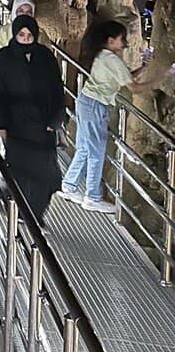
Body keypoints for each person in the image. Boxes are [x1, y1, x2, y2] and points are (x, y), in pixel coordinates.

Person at [59, 20, 157, 213]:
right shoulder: (112, 59)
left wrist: (145, 67)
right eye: (122, 38)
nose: (125, 42)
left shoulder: (103, 55)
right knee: (96, 152)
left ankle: (69, 185)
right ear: (111, 40)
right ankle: (92, 197)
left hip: (86, 102)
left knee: (85, 148)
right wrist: (161, 77)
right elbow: (134, 88)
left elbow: (125, 77)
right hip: (95, 106)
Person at [0, 15, 65, 225]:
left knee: (45, 173)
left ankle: (36, 212)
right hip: (17, 125)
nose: (25, 39)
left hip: (43, 125)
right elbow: (0, 92)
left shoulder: (45, 56)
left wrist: (56, 119)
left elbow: (57, 89)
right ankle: (21, 210)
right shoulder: (5, 56)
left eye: (29, 35)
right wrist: (0, 124)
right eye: (21, 35)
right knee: (20, 170)